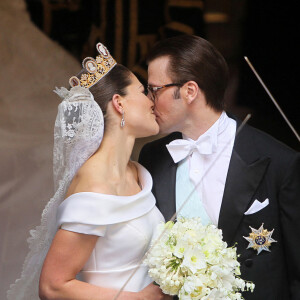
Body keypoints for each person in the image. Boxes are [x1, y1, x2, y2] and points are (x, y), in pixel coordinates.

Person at [139, 35, 300, 299]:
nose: (148, 100)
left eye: (154, 90)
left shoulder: (279, 161)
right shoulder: (153, 157)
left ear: (190, 91)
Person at [7, 43, 171, 300]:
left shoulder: (137, 172)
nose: (152, 101)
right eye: (142, 91)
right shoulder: (95, 186)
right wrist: (140, 298)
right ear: (119, 103)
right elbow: (53, 286)